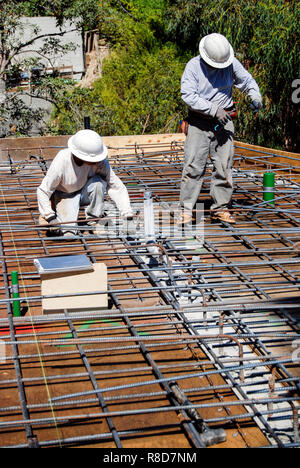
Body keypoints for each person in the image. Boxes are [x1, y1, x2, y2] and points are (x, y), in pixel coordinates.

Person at [179, 32, 262, 224]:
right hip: (199, 122)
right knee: (193, 166)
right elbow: (188, 95)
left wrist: (255, 96)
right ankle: (186, 210)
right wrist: (214, 109)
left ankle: (221, 208)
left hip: (224, 122)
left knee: (224, 166)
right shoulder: (193, 67)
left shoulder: (230, 63)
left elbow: (247, 81)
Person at [37, 129, 135, 238]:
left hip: (84, 191)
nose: (97, 161)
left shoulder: (99, 162)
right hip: (64, 195)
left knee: (98, 183)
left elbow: (116, 186)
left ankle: (94, 220)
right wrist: (50, 217)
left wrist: (127, 215)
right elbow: (43, 190)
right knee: (68, 236)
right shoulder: (62, 160)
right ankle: (48, 212)